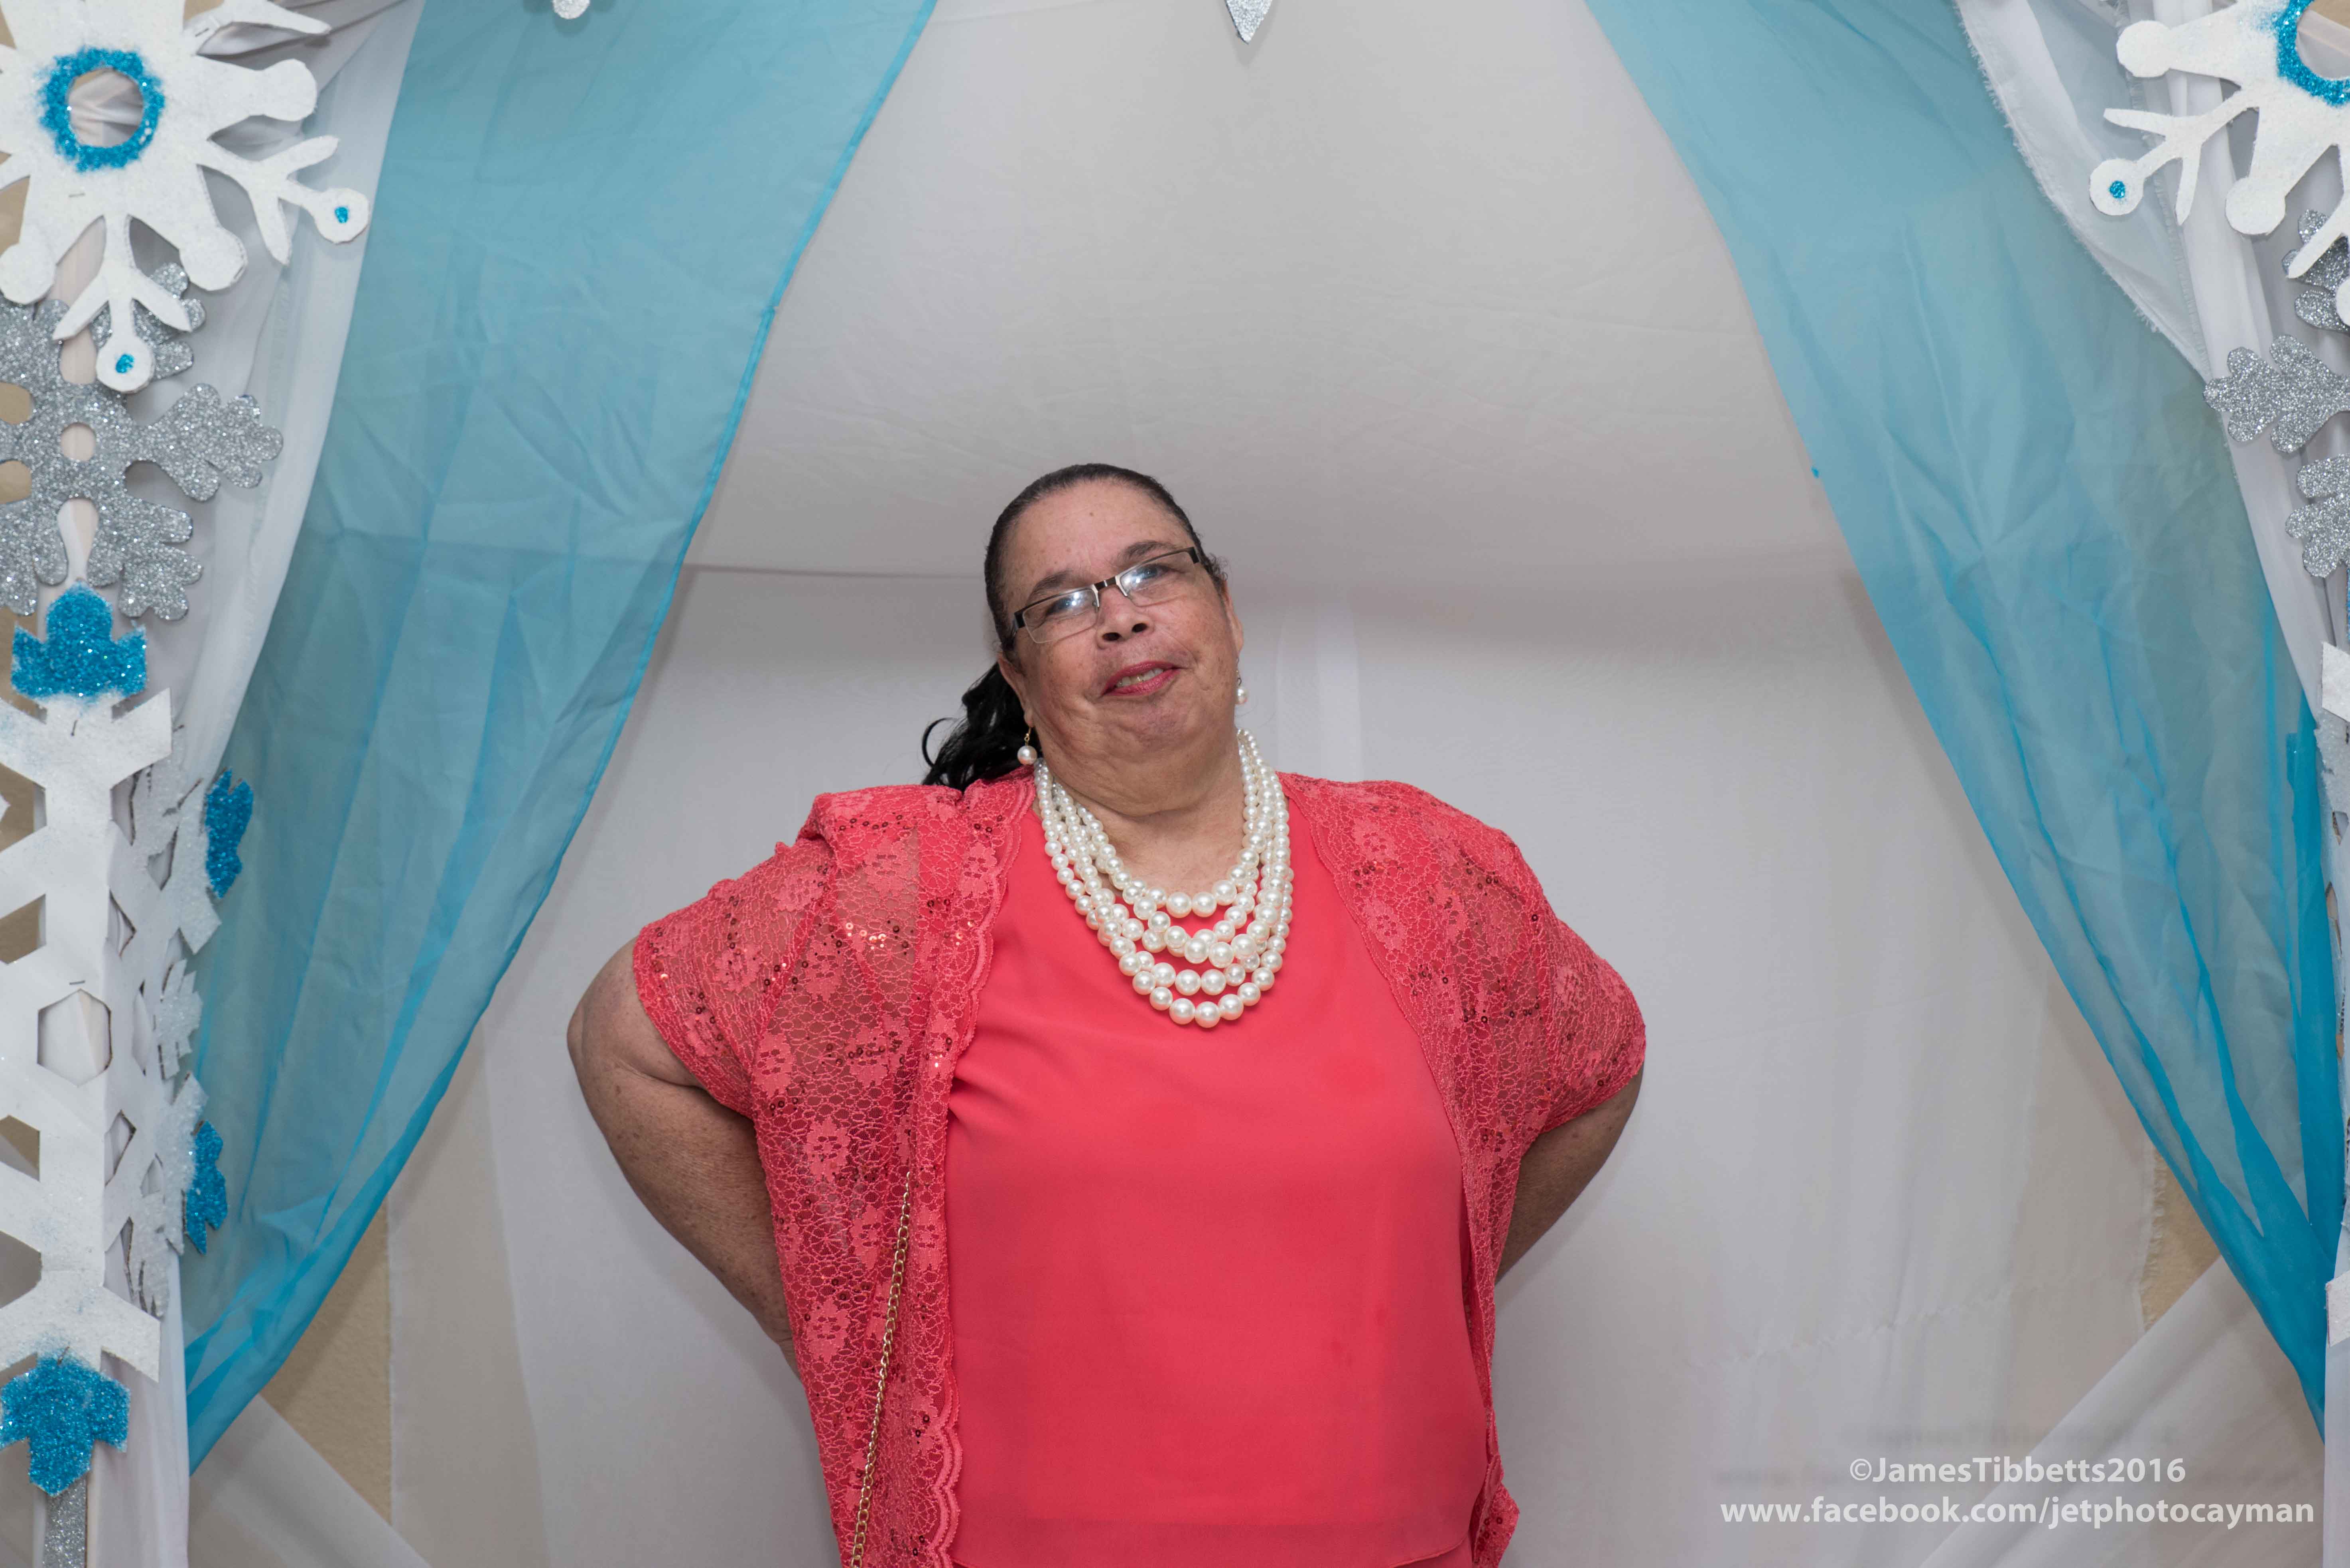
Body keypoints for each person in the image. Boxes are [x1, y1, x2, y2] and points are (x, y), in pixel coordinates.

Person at [568, 463, 1645, 1568]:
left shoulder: (1422, 871)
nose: (1120, 616)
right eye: (1062, 602)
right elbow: (623, 1041)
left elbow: (1602, 1058)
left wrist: (1442, 1269)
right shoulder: (904, 894)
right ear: (1019, 675)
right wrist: (828, 1314)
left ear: (1227, 609)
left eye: (1152, 573)